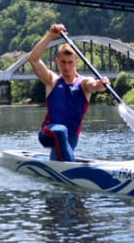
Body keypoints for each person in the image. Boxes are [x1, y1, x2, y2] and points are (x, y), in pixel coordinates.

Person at [28, 24, 109, 162]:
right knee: (60, 131)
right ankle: (70, 170)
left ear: (76, 62)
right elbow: (33, 60)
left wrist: (101, 84)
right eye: (63, 62)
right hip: (48, 133)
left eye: (70, 62)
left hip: (72, 137)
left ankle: (61, 171)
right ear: (57, 62)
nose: (66, 67)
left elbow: (94, 86)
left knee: (60, 151)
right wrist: (50, 36)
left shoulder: (84, 83)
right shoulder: (52, 81)